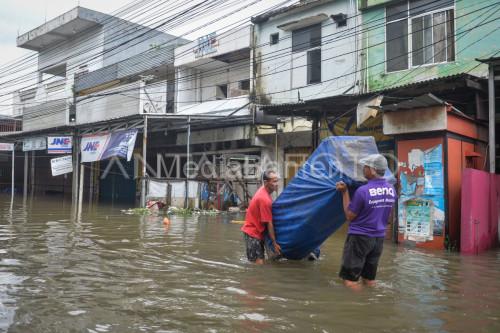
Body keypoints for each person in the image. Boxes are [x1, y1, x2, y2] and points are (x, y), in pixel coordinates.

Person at [335, 154, 396, 290]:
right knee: (369, 279)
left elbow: (349, 216)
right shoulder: (391, 189)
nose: (363, 169)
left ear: (373, 170)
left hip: (359, 238)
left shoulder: (363, 191)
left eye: (366, 167)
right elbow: (388, 215)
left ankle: (356, 309)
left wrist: (345, 192)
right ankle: (371, 306)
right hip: (378, 239)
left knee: (350, 281)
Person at [241, 170, 281, 264]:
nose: (277, 184)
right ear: (266, 182)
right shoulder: (264, 199)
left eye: (277, 181)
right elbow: (269, 223)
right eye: (274, 181)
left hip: (257, 233)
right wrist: (274, 243)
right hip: (253, 234)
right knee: (258, 265)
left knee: (260, 263)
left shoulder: (264, 191)